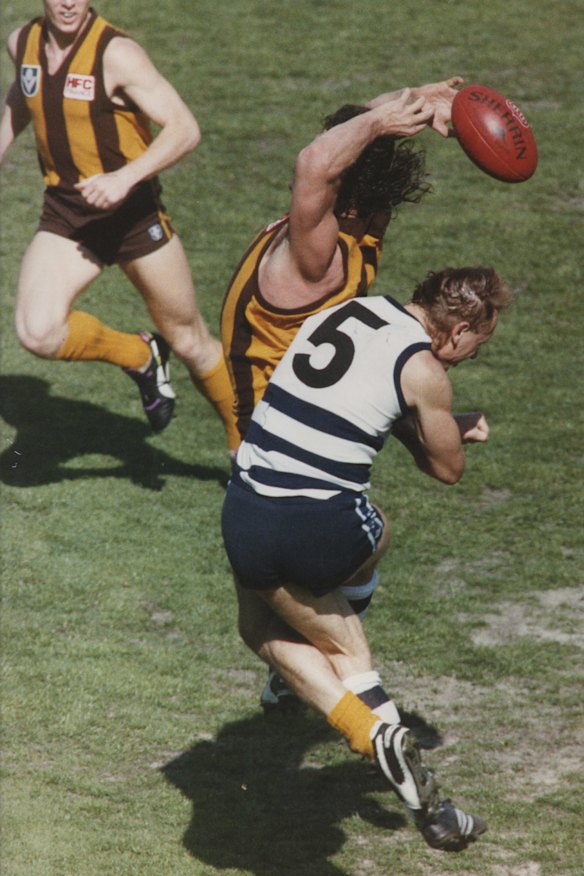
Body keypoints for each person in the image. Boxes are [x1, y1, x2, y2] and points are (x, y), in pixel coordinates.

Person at [221, 265, 513, 851]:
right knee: (364, 575)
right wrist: (454, 429)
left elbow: (359, 401)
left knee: (259, 627)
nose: (466, 360)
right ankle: (389, 750)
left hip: (245, 509)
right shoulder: (425, 369)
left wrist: (426, 426)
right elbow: (446, 468)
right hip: (318, 525)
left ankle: (306, 697)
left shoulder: (346, 310)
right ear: (457, 331)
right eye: (473, 350)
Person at [220, 76, 462, 706]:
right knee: (286, 607)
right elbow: (319, 161)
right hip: (278, 440)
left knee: (270, 620)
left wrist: (400, 106)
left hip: (286, 441)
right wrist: (390, 113)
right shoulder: (322, 254)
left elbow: (326, 161)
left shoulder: (324, 234)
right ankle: (341, 693)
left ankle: (324, 688)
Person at [0, 0, 237, 446]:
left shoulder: (117, 54)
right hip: (68, 212)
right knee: (37, 331)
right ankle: (139, 356)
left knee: (189, 341)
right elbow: (25, 95)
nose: (69, 2)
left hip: (133, 214)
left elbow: (185, 128)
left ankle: (245, 446)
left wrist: (123, 178)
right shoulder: (23, 43)